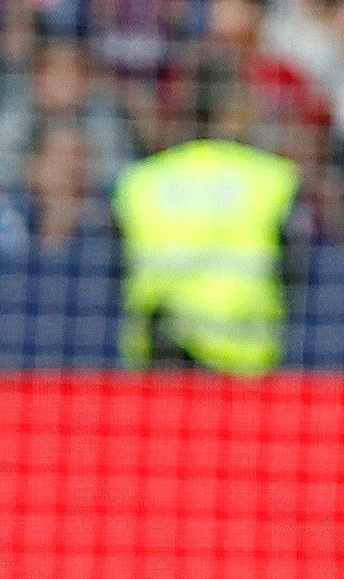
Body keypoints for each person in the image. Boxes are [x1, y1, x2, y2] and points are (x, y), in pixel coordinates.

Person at [115, 85, 304, 372]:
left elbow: (114, 266)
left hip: (158, 360)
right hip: (240, 361)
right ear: (231, 115)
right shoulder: (268, 177)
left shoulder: (143, 180)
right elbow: (297, 267)